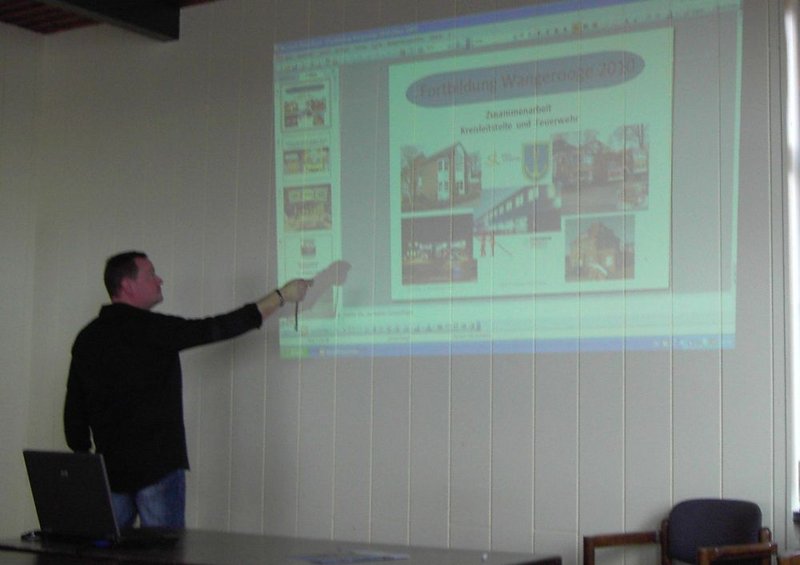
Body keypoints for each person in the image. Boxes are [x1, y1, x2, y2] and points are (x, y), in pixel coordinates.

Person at [63, 251, 311, 529]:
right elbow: (216, 328)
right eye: (151, 274)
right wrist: (280, 296)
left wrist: (85, 461)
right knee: (162, 550)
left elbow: (74, 410)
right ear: (127, 285)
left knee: (101, 548)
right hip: (157, 470)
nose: (159, 280)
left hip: (109, 472)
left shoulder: (88, 338)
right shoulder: (152, 329)